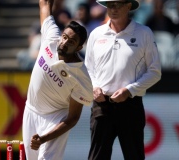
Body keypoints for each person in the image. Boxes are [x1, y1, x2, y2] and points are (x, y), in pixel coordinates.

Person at [85, 0, 161, 160]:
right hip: (101, 105)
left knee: (134, 156)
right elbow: (88, 69)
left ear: (128, 6)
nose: (113, 8)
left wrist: (129, 90)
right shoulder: (96, 34)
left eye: (118, 4)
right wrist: (94, 86)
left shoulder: (144, 33)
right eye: (110, 4)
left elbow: (155, 72)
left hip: (130, 106)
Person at [22, 0, 93, 159]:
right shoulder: (51, 36)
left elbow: (73, 118)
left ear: (79, 48)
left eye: (72, 42)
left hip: (55, 119)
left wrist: (44, 138)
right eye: (65, 37)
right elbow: (44, 4)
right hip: (31, 110)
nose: (65, 42)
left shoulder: (81, 77)